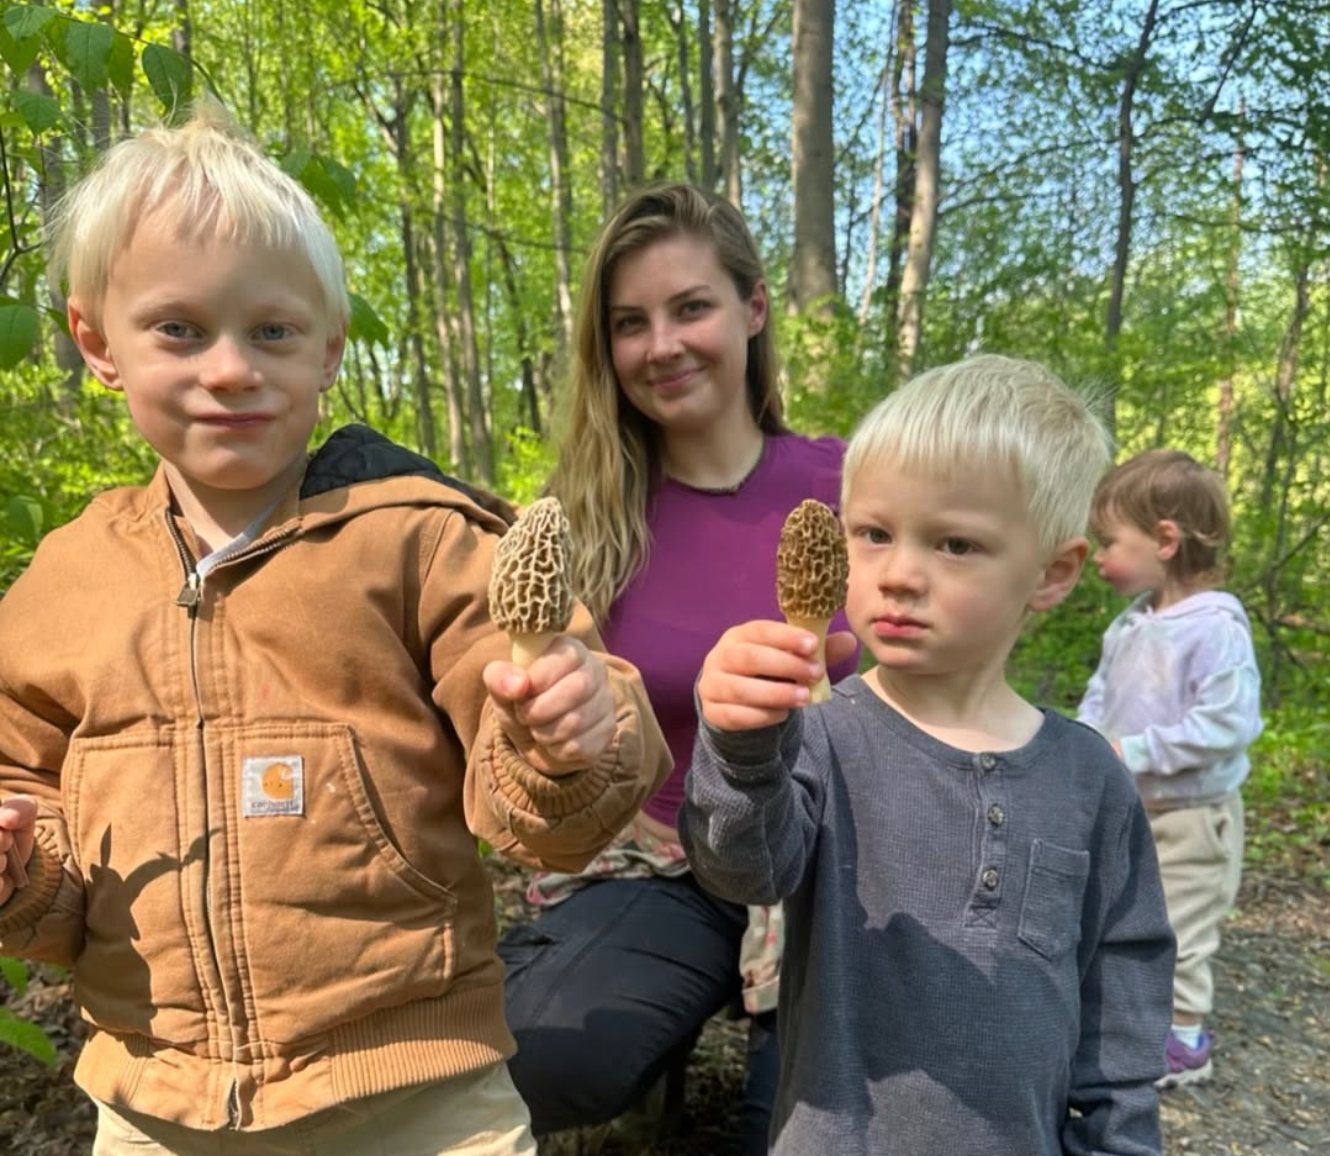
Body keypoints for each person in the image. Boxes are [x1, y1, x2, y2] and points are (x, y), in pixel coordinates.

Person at [0, 100, 671, 1156]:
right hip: (154, 1099)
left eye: (271, 331)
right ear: (97, 343)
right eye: (179, 328)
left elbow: (549, 811)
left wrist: (569, 738)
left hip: (416, 1091)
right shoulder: (61, 587)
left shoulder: (419, 537)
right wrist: (15, 874)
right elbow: (38, 842)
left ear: (328, 350)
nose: (230, 368)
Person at [680, 354, 1177, 1156]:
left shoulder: (1090, 781)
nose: (899, 575)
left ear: (1052, 573)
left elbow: (1121, 1006)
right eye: (873, 533)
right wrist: (738, 748)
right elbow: (742, 869)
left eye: (954, 543)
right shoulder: (819, 734)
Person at [496, 182, 859, 1155]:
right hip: (670, 855)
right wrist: (543, 740)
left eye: (690, 306)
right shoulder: (589, 518)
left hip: (836, 860)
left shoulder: (853, 483)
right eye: (629, 322)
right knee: (540, 1051)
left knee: (800, 1137)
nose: (661, 344)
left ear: (752, 308)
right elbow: (563, 756)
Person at [1077, 448, 1262, 1089]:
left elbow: (1227, 724)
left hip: (1191, 816)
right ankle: (1125, 1020)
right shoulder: (1132, 624)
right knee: (1120, 912)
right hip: (1134, 808)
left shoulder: (1216, 628)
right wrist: (1089, 742)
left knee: (1181, 923)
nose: (1098, 556)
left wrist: (1138, 751)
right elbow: (1102, 695)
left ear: (1164, 539)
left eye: (1109, 542)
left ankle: (1184, 1037)